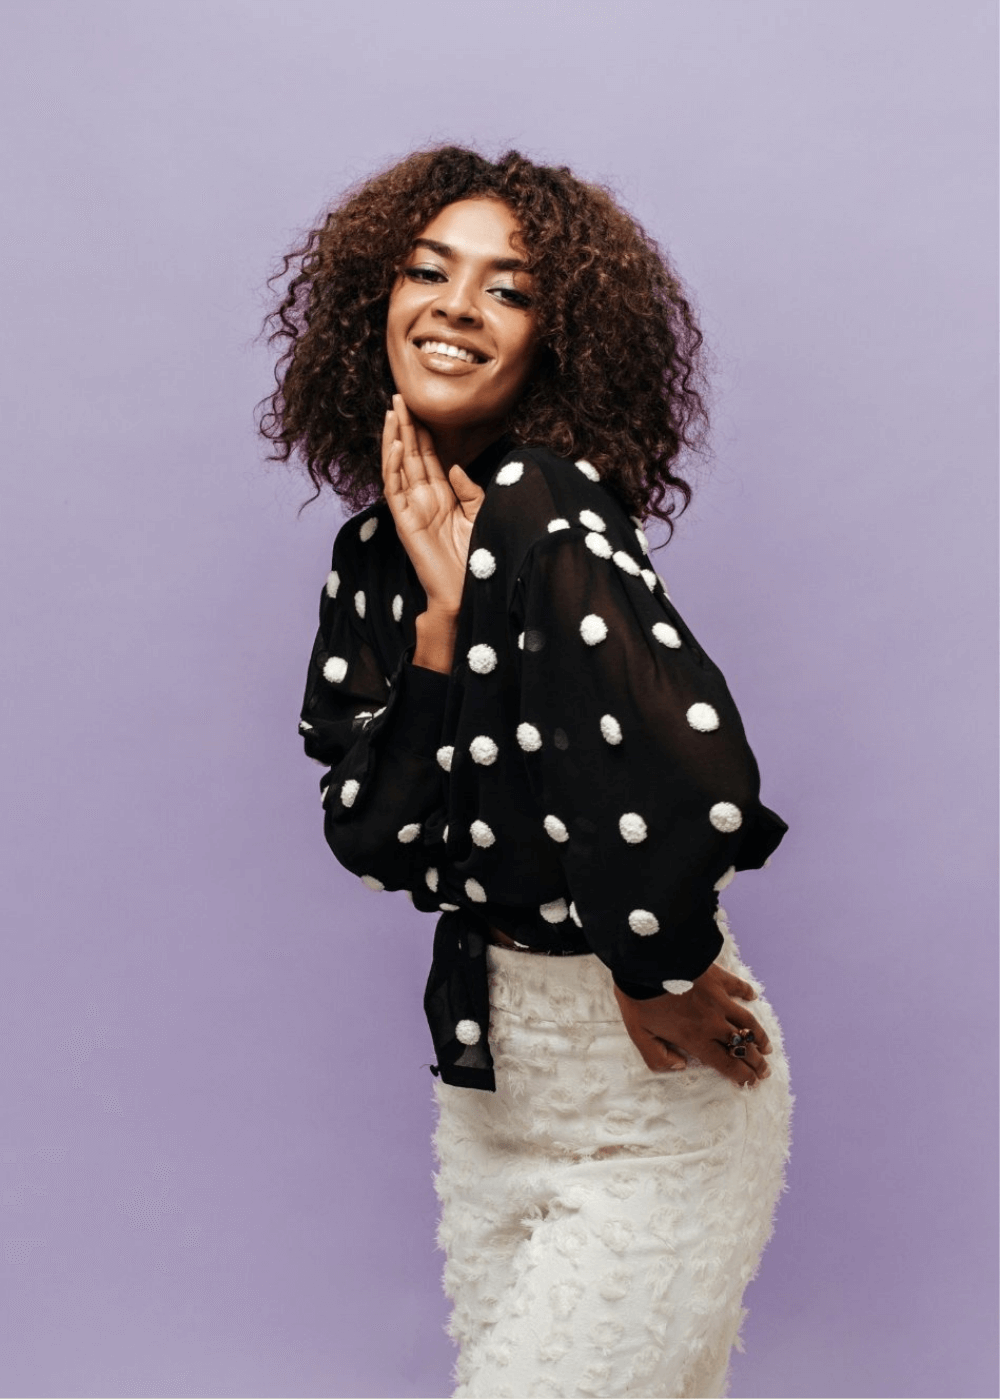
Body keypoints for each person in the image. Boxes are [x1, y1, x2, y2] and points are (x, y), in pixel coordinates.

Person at [259, 145, 792, 1400]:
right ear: (371, 303)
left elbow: (687, 761)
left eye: (507, 288)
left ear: (556, 341)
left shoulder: (551, 503)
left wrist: (651, 962)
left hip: (651, 1093)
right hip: (490, 1091)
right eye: (428, 270)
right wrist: (443, 634)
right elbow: (371, 832)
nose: (454, 305)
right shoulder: (374, 551)